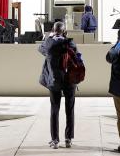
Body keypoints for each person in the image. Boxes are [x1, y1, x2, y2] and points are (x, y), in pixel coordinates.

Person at [39, 21, 78, 149]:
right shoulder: (70, 43)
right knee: (70, 110)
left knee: (54, 110)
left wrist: (49, 36)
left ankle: (55, 140)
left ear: (53, 30)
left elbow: (40, 48)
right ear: (64, 31)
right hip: (70, 80)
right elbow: (76, 55)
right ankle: (68, 139)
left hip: (55, 81)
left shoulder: (49, 43)